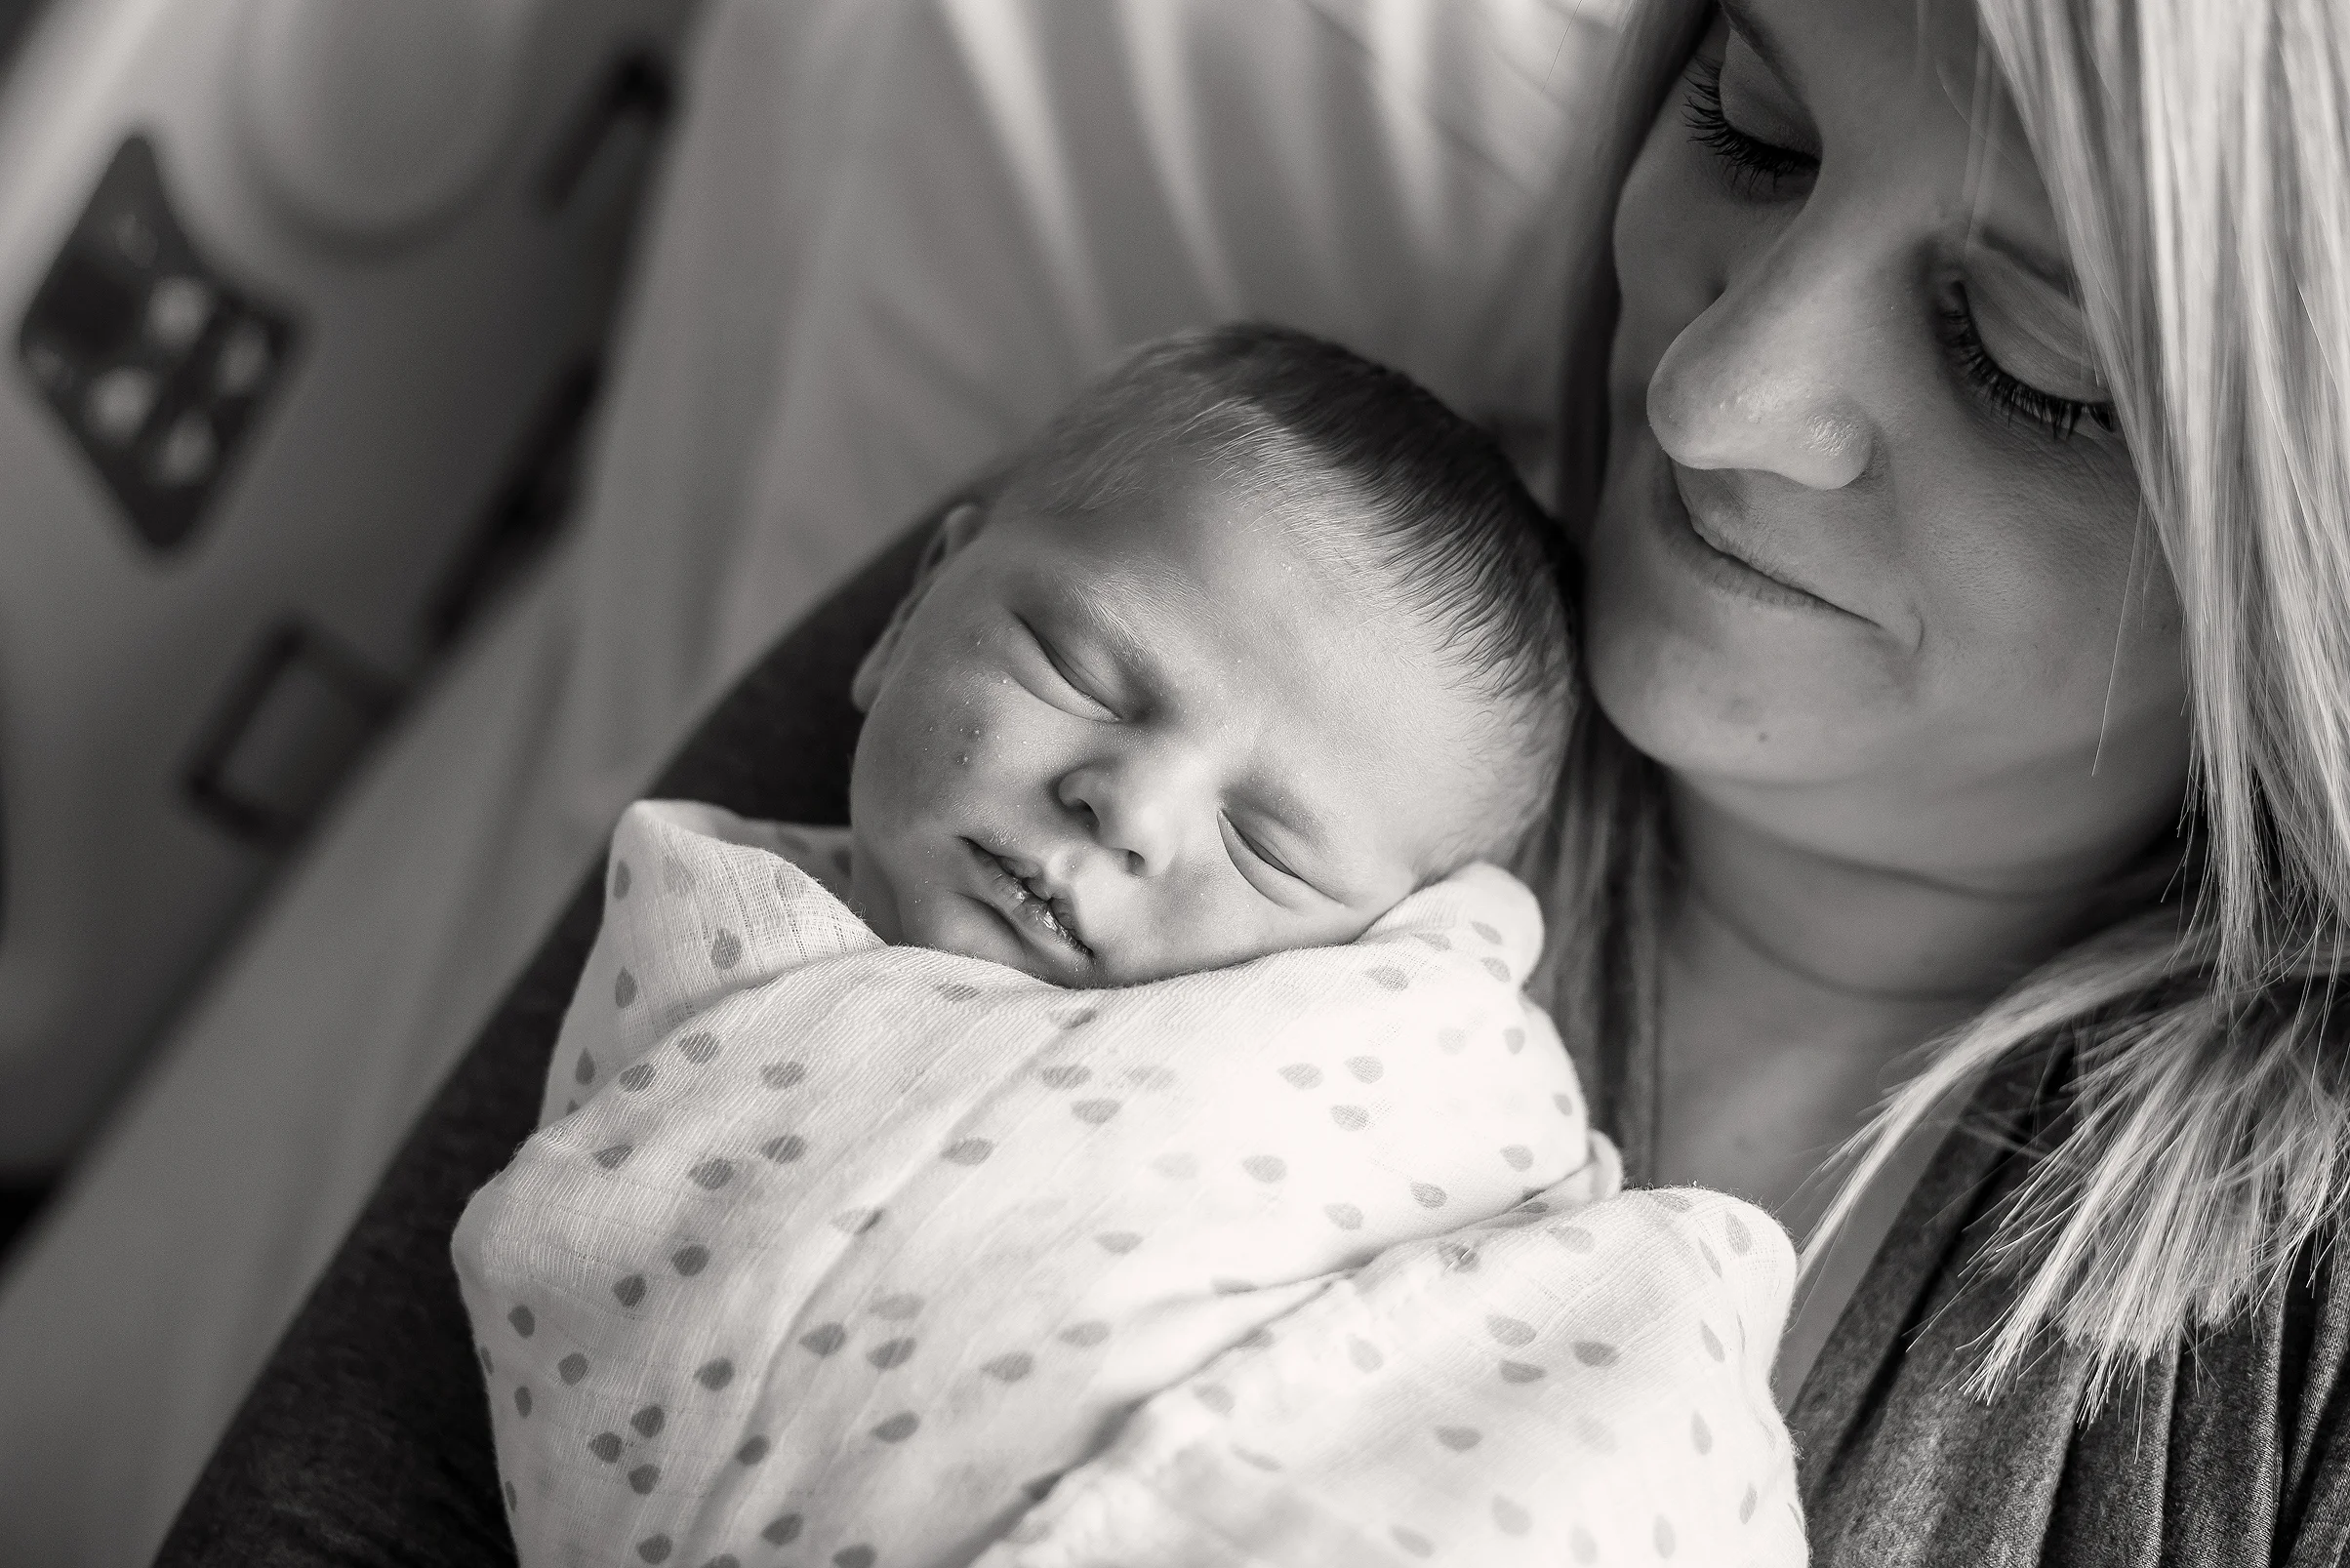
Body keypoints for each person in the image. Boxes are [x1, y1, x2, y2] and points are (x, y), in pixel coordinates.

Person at [156, 0, 2350, 1562]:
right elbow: (373, 1482)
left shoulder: (2285, 1357)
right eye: (1749, 127)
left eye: (2022, 362)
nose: (1710, 388)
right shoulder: (1158, 604)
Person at [454, 328, 1800, 1568]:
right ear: (910, 613)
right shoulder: (710, 949)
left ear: (1400, 938)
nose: (1132, 810)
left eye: (1269, 846)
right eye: (1082, 670)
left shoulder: (1402, 1076)